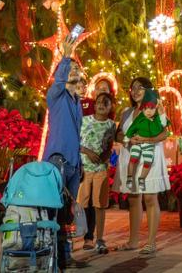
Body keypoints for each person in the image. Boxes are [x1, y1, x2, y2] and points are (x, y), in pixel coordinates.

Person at [42, 32, 87, 268]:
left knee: (67, 213)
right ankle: (55, 257)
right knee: (55, 211)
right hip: (57, 161)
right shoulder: (56, 97)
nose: (75, 75)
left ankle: (65, 255)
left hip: (72, 164)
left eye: (77, 73)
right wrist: (66, 57)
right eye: (71, 72)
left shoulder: (76, 102)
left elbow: (77, 137)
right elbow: (59, 81)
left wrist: (79, 165)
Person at [115, 76, 169, 256]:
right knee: (133, 198)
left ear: (149, 91)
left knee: (150, 198)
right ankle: (133, 241)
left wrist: (146, 139)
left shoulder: (155, 108)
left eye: (140, 87)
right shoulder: (126, 112)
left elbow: (164, 134)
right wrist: (126, 139)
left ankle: (151, 242)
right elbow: (119, 134)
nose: (136, 91)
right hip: (130, 157)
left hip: (149, 157)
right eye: (133, 88)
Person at [77, 91, 116, 253]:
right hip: (84, 169)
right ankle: (87, 237)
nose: (101, 105)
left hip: (100, 170)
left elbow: (109, 146)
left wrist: (104, 156)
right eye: (99, 102)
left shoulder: (111, 125)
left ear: (111, 107)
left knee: (99, 205)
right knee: (83, 204)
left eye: (105, 103)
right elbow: (76, 142)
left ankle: (100, 238)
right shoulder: (85, 120)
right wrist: (87, 152)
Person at [123, 89, 168, 193]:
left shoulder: (157, 119)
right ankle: (129, 177)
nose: (148, 111)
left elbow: (164, 125)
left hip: (149, 145)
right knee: (133, 158)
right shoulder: (139, 118)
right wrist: (127, 139)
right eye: (146, 109)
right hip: (137, 143)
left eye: (151, 108)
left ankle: (142, 178)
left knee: (148, 161)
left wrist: (161, 112)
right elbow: (131, 128)